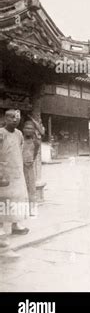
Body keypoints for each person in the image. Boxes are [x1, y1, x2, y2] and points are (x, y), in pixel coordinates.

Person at [0, 110, 30, 259]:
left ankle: (16, 224)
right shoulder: (1, 133)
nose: (14, 120)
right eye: (11, 117)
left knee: (18, 198)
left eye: (17, 118)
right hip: (4, 171)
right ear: (5, 118)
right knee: (5, 201)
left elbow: (20, 149)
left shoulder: (18, 134)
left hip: (17, 170)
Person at [22, 121, 40, 217]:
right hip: (19, 167)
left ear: (34, 131)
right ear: (23, 129)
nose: (29, 130)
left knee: (31, 187)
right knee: (21, 187)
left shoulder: (36, 142)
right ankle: (22, 208)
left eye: (31, 128)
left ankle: (32, 209)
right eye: (27, 128)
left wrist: (30, 161)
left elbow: (35, 153)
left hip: (30, 167)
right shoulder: (19, 140)